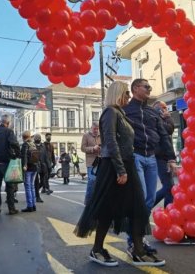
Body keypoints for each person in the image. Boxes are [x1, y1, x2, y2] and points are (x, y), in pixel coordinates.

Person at [75, 81, 156, 267]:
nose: (128, 96)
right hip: (114, 167)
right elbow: (110, 142)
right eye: (126, 93)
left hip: (126, 164)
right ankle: (97, 249)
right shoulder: (111, 112)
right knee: (107, 210)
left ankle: (138, 249)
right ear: (118, 93)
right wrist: (121, 169)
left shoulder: (121, 113)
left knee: (137, 208)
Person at [123, 78, 174, 261]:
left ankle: (139, 238)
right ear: (136, 88)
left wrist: (171, 158)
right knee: (141, 199)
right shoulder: (126, 110)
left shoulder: (152, 112)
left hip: (151, 157)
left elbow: (163, 135)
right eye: (146, 87)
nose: (149, 89)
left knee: (150, 200)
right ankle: (133, 241)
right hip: (135, 156)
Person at [0, 114, 20, 215]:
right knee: (10, 186)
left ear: (0, 121)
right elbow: (14, 144)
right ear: (8, 123)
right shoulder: (8, 132)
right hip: (6, 162)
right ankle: (11, 208)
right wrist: (17, 156)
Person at [152, 101, 176, 208]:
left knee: (170, 187)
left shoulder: (164, 119)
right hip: (159, 157)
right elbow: (168, 130)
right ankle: (146, 207)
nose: (166, 109)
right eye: (164, 107)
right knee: (169, 186)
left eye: (166, 107)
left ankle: (168, 212)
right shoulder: (155, 118)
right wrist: (166, 118)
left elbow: (170, 129)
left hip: (166, 157)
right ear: (158, 108)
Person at [81, 122, 100, 205]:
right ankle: (88, 201)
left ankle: (96, 201)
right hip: (91, 162)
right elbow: (83, 148)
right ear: (91, 128)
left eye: (97, 129)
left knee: (99, 182)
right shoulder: (86, 136)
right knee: (92, 180)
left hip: (101, 161)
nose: (96, 130)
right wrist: (93, 148)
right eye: (94, 129)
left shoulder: (101, 135)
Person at [20, 130, 38, 212]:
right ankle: (34, 205)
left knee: (28, 187)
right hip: (35, 167)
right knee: (32, 187)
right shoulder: (33, 144)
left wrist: (24, 165)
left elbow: (24, 156)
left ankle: (29, 206)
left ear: (23, 137)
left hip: (28, 168)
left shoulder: (25, 144)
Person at [32, 134, 47, 203]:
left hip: (43, 165)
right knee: (36, 181)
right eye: (36, 138)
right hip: (35, 165)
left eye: (39, 138)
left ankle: (36, 190)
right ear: (34, 139)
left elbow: (46, 156)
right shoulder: (32, 145)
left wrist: (48, 164)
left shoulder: (43, 146)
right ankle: (37, 196)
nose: (37, 138)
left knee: (43, 181)